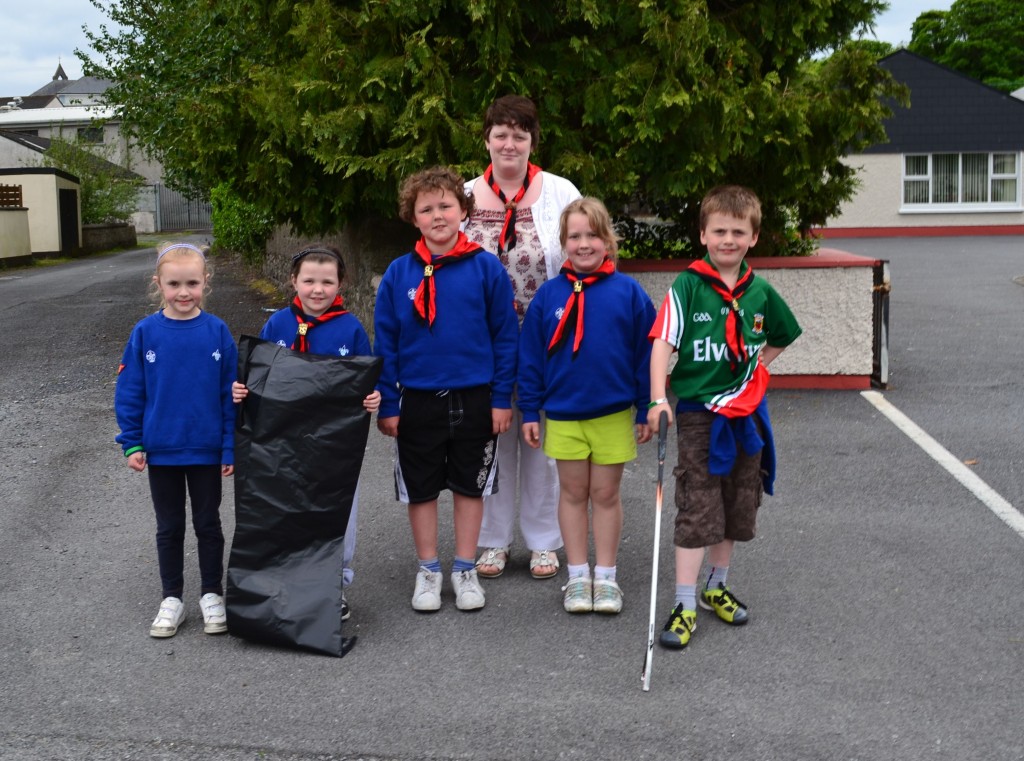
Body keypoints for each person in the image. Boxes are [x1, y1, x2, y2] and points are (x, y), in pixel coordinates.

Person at [647, 185, 802, 648]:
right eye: (719, 231)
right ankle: (684, 603)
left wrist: (757, 370)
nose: (728, 240)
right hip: (700, 414)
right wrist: (658, 398)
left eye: (738, 232)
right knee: (699, 504)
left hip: (745, 413)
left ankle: (716, 586)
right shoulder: (689, 285)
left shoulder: (760, 291)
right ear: (703, 235)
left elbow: (783, 334)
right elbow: (663, 342)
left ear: (753, 237)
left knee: (737, 499)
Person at [374, 166, 519, 612]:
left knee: (470, 486)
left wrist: (501, 398)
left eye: (445, 205)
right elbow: (386, 343)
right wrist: (389, 403)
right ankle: (428, 569)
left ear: (463, 210)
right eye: (426, 209)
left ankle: (465, 568)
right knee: (419, 489)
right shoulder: (398, 273)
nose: (437, 215)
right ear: (412, 217)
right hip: (417, 399)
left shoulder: (486, 267)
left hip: (475, 398)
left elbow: (505, 336)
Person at [463, 94, 582, 581]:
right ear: (487, 139)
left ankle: (544, 542)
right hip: (482, 342)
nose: (509, 143)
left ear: (532, 141)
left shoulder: (559, 191)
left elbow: (582, 252)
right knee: (490, 438)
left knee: (539, 439)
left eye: (519, 134)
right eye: (501, 134)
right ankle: (492, 540)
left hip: (545, 340)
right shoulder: (463, 195)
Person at [518, 197, 656, 614]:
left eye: (592, 235)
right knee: (574, 492)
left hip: (612, 415)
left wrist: (646, 405)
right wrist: (529, 409)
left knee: (606, 494)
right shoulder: (548, 296)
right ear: (563, 243)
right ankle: (578, 575)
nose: (583, 244)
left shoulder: (629, 293)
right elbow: (531, 357)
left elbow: (646, 354)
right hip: (564, 414)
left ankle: (607, 576)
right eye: (574, 236)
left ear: (608, 240)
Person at [231, 244, 381, 621]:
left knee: (338, 511)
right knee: (287, 509)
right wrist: (241, 389)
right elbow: (257, 373)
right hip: (285, 440)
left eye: (327, 282)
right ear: (293, 281)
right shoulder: (277, 325)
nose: (317, 289)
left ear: (340, 284)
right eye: (309, 280)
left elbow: (365, 377)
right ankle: (285, 583)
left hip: (334, 445)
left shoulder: (350, 327)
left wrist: (373, 396)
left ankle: (334, 585)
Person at [114, 241, 238, 638]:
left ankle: (211, 594)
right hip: (162, 452)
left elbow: (230, 395)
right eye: (174, 284)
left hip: (206, 451)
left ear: (205, 282)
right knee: (168, 527)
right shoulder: (145, 333)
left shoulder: (218, 331)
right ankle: (172, 598)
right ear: (158, 284)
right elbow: (130, 392)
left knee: (208, 524)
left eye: (192, 283)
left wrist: (229, 446)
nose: (183, 293)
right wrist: (132, 442)